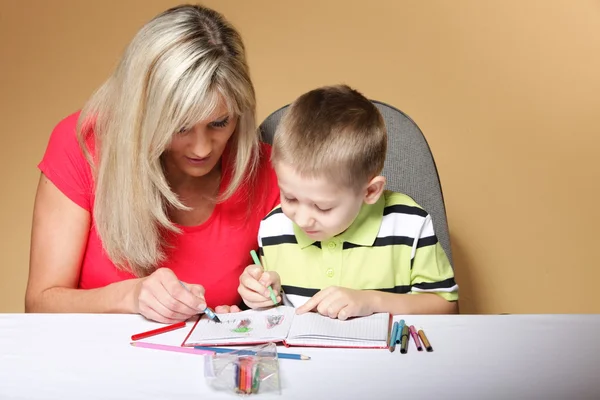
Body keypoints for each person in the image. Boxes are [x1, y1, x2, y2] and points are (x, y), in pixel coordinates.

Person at [25, 4, 281, 323]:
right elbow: (40, 303)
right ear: (142, 113)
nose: (202, 148)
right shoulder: (82, 145)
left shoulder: (269, 172)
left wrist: (259, 304)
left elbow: (294, 296)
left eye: (220, 123)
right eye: (181, 126)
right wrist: (132, 296)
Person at [238, 84, 459, 320]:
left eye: (323, 207)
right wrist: (263, 295)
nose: (301, 218)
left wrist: (372, 301)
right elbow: (276, 314)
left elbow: (446, 307)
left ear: (370, 191)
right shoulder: (274, 227)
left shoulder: (409, 223)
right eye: (290, 197)